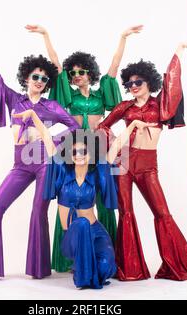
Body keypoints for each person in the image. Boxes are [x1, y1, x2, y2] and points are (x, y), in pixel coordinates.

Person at [0, 41, 80, 280]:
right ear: (26, 77)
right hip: (21, 164)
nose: (39, 81)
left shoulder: (51, 106)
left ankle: (39, 268)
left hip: (45, 162)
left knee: (37, 210)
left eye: (44, 79)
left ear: (47, 84)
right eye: (35, 76)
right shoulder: (15, 101)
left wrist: (52, 140)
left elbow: (74, 126)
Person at [26, 24, 142, 271]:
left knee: (102, 198)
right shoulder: (70, 96)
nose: (76, 75)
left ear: (91, 73)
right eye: (73, 72)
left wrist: (122, 37)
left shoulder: (101, 95)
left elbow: (114, 65)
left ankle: (106, 255)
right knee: (68, 197)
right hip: (75, 149)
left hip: (99, 149)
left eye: (81, 71)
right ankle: (68, 257)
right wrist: (46, 35)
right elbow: (56, 65)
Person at [96, 40, 187, 281]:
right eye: (129, 83)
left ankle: (183, 266)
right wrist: (115, 148)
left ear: (149, 83)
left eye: (138, 82)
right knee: (125, 213)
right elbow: (102, 127)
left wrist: (177, 52)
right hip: (124, 163)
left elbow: (172, 85)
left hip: (147, 166)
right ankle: (130, 270)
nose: (133, 86)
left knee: (162, 213)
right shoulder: (124, 107)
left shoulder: (159, 105)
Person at [13, 108, 153, 288]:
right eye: (75, 152)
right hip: (73, 235)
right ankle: (84, 273)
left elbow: (117, 145)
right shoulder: (63, 171)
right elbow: (47, 139)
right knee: (81, 223)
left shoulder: (96, 173)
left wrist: (133, 124)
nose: (79, 156)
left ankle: (90, 268)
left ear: (91, 153)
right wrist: (33, 115)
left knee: (106, 267)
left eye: (83, 152)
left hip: (96, 232)